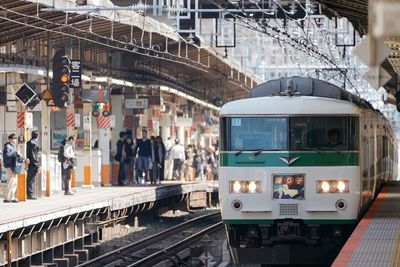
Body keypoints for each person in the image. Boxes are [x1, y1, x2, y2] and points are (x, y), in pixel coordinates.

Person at [2, 134, 21, 203]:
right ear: (10, 139)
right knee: (11, 182)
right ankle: (8, 197)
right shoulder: (7, 146)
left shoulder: (11, 146)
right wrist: (15, 153)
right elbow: (7, 155)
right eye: (14, 139)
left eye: (15, 139)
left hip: (13, 166)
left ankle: (10, 197)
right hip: (10, 166)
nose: (15, 140)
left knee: (13, 182)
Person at [26, 130, 40, 199]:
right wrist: (37, 164)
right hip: (33, 164)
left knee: (31, 179)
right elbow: (33, 155)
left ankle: (30, 193)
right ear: (37, 136)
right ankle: (30, 194)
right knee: (31, 179)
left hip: (30, 163)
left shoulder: (30, 142)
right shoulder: (33, 143)